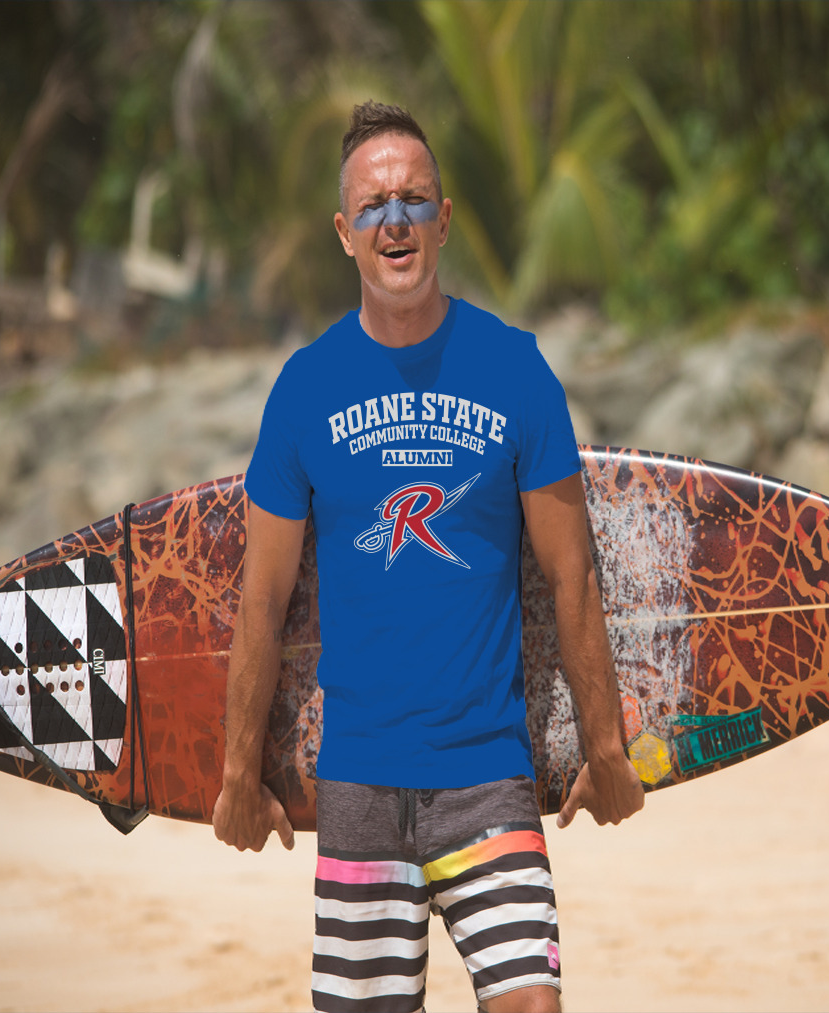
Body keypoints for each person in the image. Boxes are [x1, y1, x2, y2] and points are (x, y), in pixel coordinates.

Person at [213, 100, 644, 1013]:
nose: (395, 220)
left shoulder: (516, 370)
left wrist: (605, 746)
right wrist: (235, 772)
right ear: (344, 232)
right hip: (360, 782)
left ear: (444, 219)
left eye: (414, 200)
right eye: (373, 206)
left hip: (488, 775)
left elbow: (573, 575)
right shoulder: (304, 390)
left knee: (533, 1003)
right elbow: (262, 600)